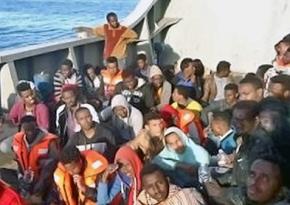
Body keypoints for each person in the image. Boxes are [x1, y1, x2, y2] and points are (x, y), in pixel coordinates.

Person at [12, 116, 58, 203]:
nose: (30, 132)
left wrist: (41, 183)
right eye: (26, 129)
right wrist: (21, 177)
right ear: (22, 128)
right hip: (26, 177)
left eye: (31, 129)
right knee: (3, 175)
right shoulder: (17, 139)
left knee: (39, 197)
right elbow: (17, 160)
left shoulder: (49, 141)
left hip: (44, 179)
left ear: (36, 125)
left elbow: (52, 165)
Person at [137, 163, 205, 205]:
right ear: (144, 189)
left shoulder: (186, 196)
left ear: (167, 180)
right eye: (150, 187)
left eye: (160, 183)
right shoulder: (141, 201)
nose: (157, 190)